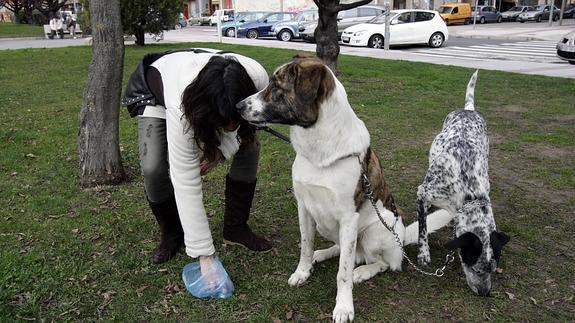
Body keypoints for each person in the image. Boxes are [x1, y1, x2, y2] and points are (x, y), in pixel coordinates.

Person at [122, 49, 272, 289]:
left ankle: (235, 229)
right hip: (157, 91)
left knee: (250, 147)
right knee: (153, 166)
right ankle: (172, 234)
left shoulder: (257, 79)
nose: (229, 126)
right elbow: (186, 181)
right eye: (224, 122)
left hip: (206, 86)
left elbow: (246, 128)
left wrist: (222, 151)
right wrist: (205, 255)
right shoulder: (182, 108)